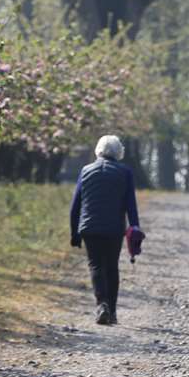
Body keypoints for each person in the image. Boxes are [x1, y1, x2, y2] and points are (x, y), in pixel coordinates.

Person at [69, 134, 141, 326]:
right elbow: (130, 204)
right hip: (114, 228)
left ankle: (102, 305)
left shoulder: (86, 170)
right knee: (111, 266)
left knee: (95, 266)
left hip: (89, 227)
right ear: (119, 152)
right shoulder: (125, 172)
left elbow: (76, 205)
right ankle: (113, 312)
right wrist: (134, 227)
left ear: (98, 150)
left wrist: (74, 233)